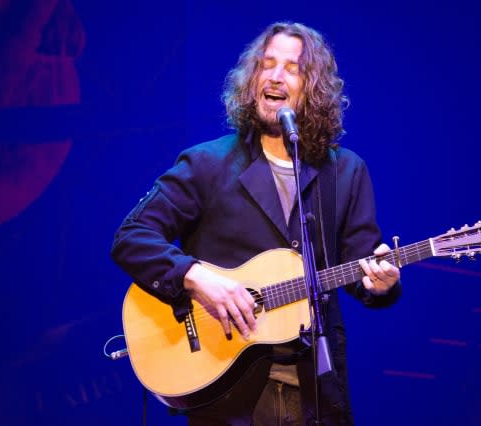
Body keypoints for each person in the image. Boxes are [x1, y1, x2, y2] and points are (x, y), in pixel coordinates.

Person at [111, 22, 401, 425]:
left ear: (313, 88)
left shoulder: (346, 172)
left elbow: (360, 269)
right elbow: (131, 238)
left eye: (292, 68)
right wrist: (195, 276)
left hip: (316, 397)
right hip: (230, 399)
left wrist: (380, 282)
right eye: (267, 65)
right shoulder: (208, 165)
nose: (275, 75)